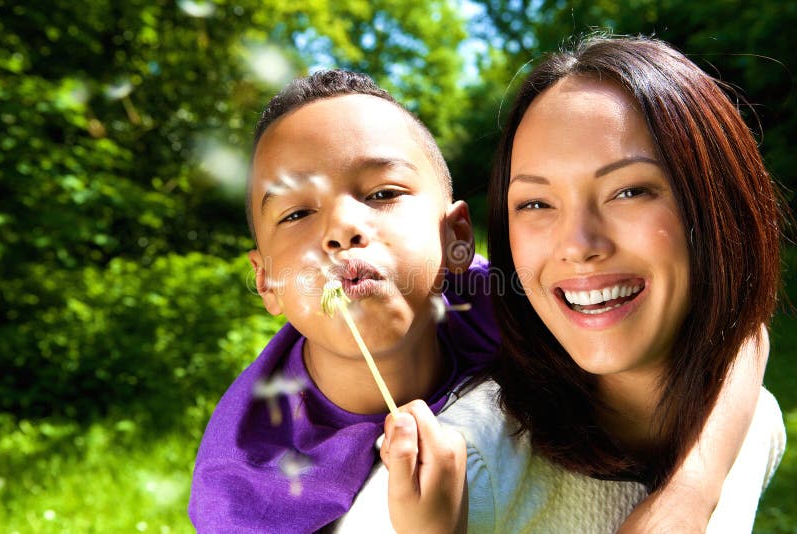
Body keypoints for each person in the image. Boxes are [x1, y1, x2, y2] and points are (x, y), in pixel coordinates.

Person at [190, 68, 775, 533]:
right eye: (295, 212)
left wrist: (689, 497)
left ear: (456, 241)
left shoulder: (504, 298)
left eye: (383, 192)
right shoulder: (246, 474)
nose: (341, 228)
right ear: (265, 282)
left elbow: (736, 329)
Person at [477, 35, 785, 531]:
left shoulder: (756, 424)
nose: (578, 244)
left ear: (718, 205)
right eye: (535, 203)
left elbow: (749, 334)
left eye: (629, 190)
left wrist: (693, 489)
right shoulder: (474, 465)